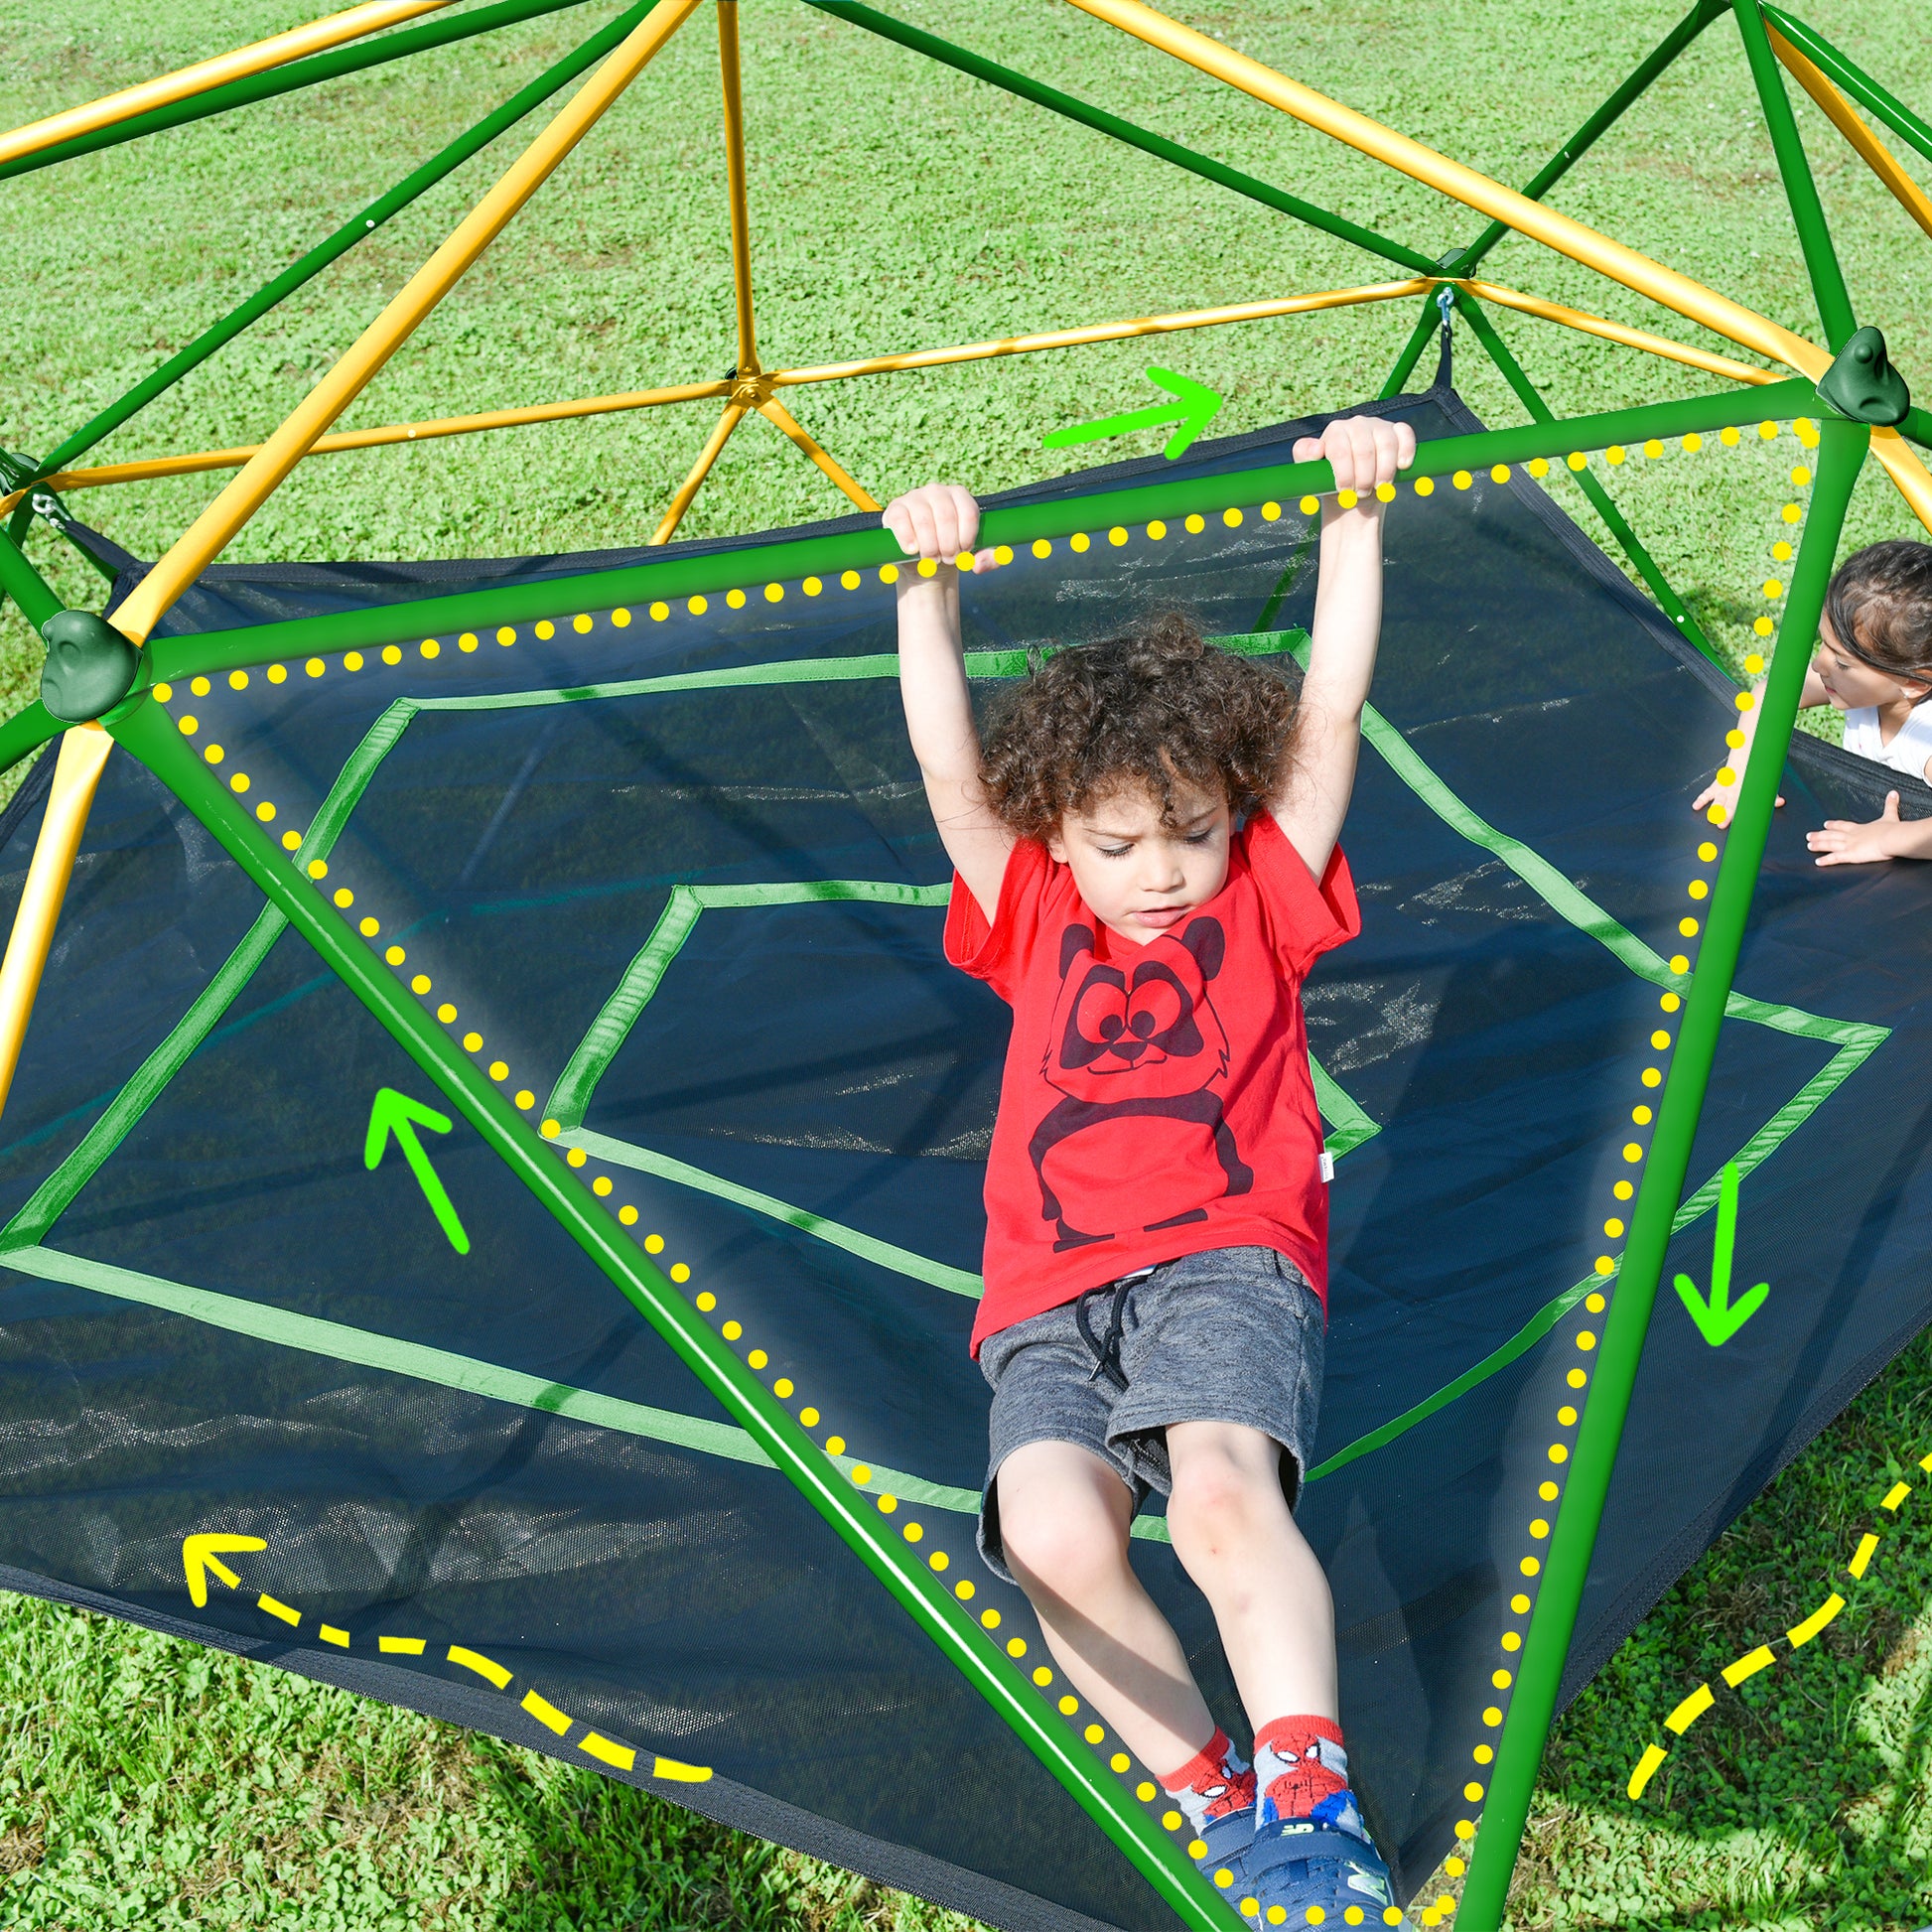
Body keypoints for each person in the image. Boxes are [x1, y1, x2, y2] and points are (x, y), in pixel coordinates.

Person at [885, 414, 1416, 1931]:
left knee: (1217, 1502)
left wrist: (1352, 520)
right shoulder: (1031, 903)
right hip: (1046, 1286)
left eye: (1189, 829)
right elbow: (943, 765)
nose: (1161, 867)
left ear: (1237, 812)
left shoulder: (1264, 893)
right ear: (1059, 832)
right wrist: (928, 589)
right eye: (1120, 843)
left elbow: (1329, 706)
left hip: (1226, 1248)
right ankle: (1210, 1788)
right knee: (1049, 1532)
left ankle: (1312, 1808)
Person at [1693, 538, 1932, 863]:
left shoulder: (1925, 737)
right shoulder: (1881, 685)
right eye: (1824, 644)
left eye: (1843, 663)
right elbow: (1772, 692)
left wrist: (1887, 839)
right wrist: (1740, 773)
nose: (1820, 664)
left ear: (1913, 681)